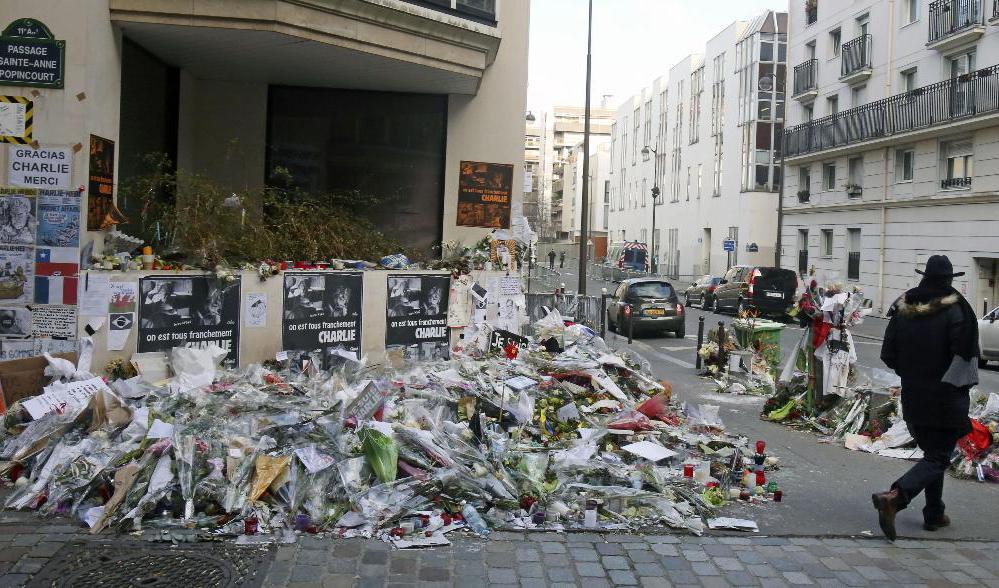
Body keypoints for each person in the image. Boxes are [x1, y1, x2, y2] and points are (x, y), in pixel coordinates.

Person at [874, 255, 979, 541]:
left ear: (925, 277)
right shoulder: (957, 310)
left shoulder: (904, 307)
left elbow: (888, 353)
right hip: (945, 396)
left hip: (914, 395)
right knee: (939, 457)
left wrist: (911, 374)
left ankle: (934, 513)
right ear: (949, 280)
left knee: (933, 454)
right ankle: (895, 497)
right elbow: (965, 355)